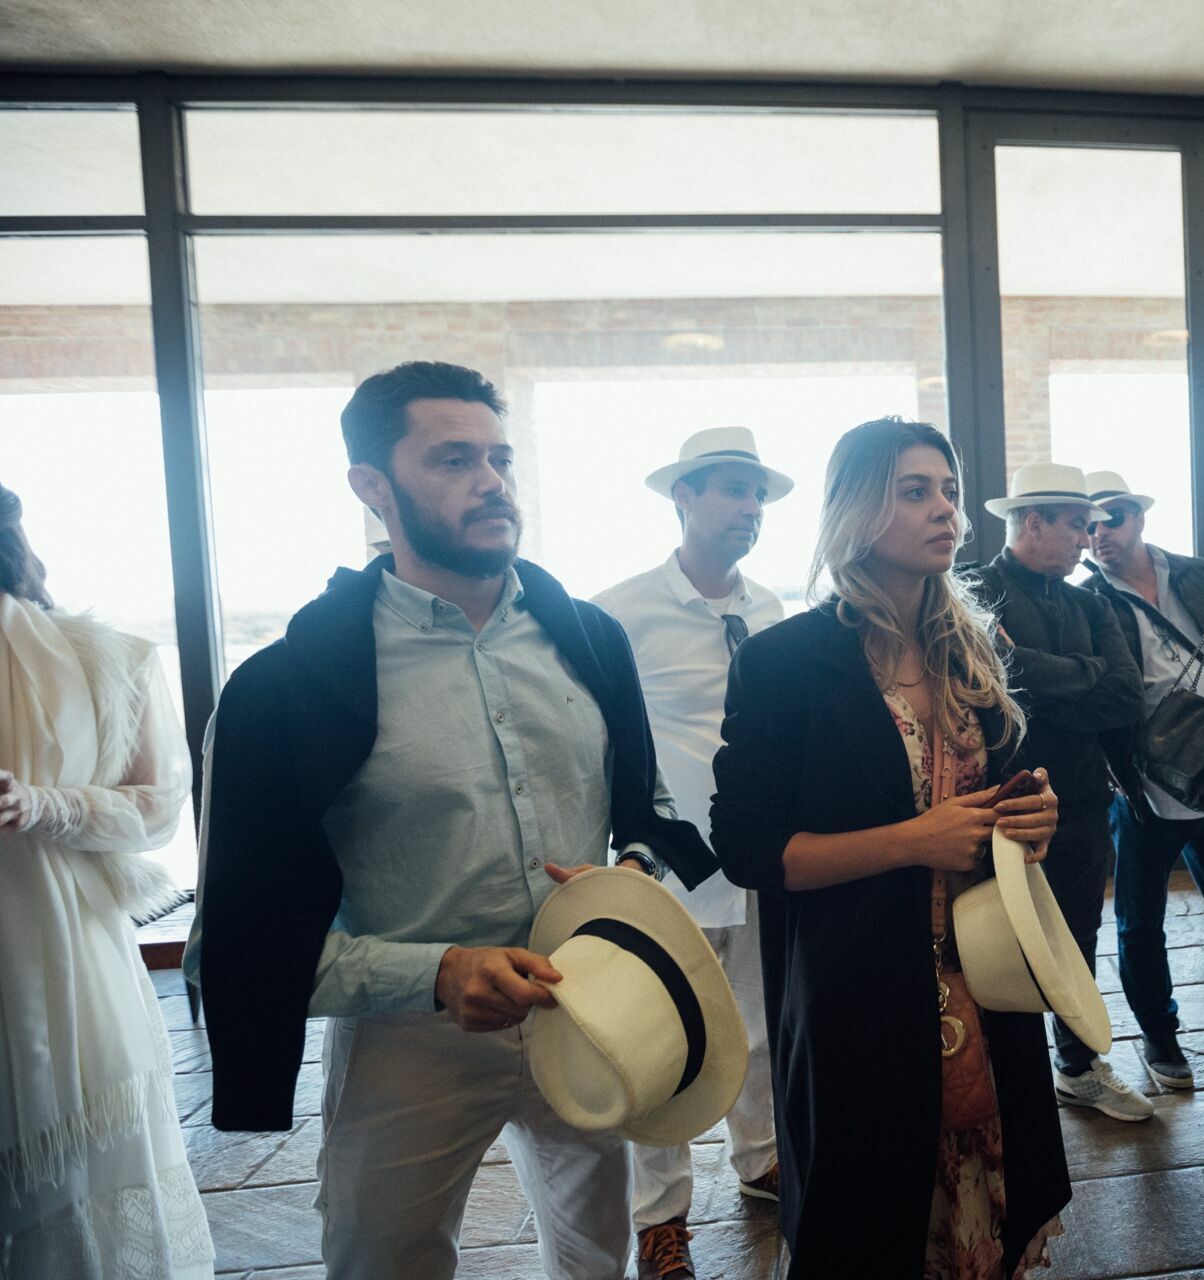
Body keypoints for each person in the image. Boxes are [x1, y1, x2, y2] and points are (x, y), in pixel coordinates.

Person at [188, 361, 717, 1280]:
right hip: (407, 1043)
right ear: (372, 487)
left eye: (500, 458)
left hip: (583, 1009)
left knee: (596, 1259)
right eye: (453, 460)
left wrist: (630, 874)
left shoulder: (589, 638)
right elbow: (238, 947)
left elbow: (649, 812)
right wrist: (438, 973)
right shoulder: (285, 689)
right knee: (383, 1263)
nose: (491, 482)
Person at [709, 416, 1067, 1276]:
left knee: (988, 1200)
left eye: (948, 490)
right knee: (876, 1222)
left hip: (987, 978)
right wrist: (912, 842)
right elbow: (752, 851)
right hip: (860, 993)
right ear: (858, 511)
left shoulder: (973, 648)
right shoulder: (785, 661)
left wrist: (1034, 818)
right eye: (915, 492)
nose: (946, 509)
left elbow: (999, 802)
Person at [0, 483, 215, 1278]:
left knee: (83, 1169)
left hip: (65, 948)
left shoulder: (109, 660)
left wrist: (40, 803)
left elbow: (160, 806)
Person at [592, 426, 789, 1279]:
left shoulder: (773, 610)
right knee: (662, 1042)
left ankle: (763, 1161)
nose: (749, 509)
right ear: (684, 497)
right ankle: (660, 1220)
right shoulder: (617, 613)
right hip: (671, 868)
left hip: (761, 857)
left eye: (757, 494)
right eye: (730, 490)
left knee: (760, 1029)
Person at [968, 464, 1151, 1122]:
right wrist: (1085, 678)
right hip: (1001, 807)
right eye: (1077, 523)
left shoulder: (1089, 600)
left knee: (1078, 938)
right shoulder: (975, 590)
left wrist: (1044, 683)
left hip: (1081, 800)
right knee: (996, 946)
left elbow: (1124, 696)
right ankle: (995, 1083)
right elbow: (994, 683)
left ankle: (1076, 1066)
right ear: (1033, 522)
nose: (1089, 535)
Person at [1080, 470, 1204, 1091]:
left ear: (1139, 518)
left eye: (1111, 518)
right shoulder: (1090, 599)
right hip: (1146, 778)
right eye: (1087, 526)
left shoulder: (1198, 573)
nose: (1099, 534)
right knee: (1140, 919)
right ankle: (1160, 1034)